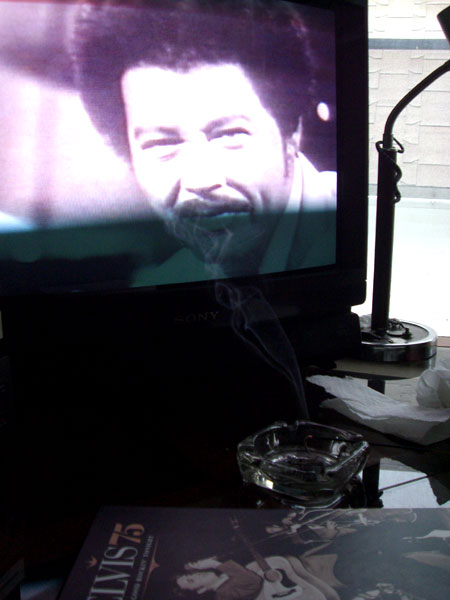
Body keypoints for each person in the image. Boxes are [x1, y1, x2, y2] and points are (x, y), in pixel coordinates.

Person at [70, 0, 336, 284]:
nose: (199, 181)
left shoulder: (348, 234)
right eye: (161, 144)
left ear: (292, 132)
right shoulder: (164, 282)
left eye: (229, 135)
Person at [175, 557, 263, 600]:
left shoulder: (224, 577)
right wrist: (214, 564)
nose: (196, 574)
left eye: (190, 574)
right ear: (201, 590)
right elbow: (254, 581)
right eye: (191, 580)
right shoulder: (223, 595)